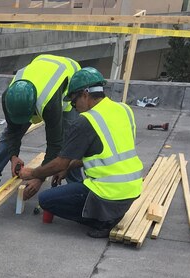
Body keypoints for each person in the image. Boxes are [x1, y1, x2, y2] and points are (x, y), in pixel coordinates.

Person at [17, 67, 143, 239]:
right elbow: (107, 154)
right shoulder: (124, 110)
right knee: (70, 186)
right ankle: (110, 213)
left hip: (108, 193)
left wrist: (33, 173)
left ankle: (102, 221)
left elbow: (60, 161)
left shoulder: (86, 121)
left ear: (85, 94)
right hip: (132, 190)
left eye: (74, 101)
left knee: (47, 200)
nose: (74, 107)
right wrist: (68, 167)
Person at [0, 54, 81, 200]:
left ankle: (77, 188)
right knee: (7, 136)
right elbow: (13, 131)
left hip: (69, 77)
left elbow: (55, 144)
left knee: (70, 140)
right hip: (42, 65)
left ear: (33, 106)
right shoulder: (8, 97)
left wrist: (39, 178)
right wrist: (13, 156)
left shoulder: (49, 104)